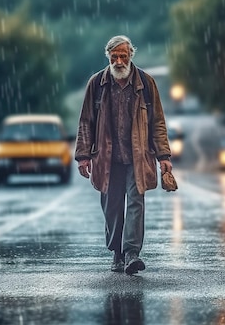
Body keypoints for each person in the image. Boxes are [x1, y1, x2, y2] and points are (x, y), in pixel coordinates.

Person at [75, 35, 173, 275]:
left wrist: (164, 156)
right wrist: (83, 156)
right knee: (112, 207)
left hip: (138, 157)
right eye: (114, 56)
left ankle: (131, 254)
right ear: (108, 56)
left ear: (131, 56)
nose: (119, 61)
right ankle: (116, 254)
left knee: (136, 204)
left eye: (123, 56)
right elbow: (86, 121)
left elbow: (157, 122)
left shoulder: (146, 84)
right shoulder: (97, 84)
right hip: (107, 158)